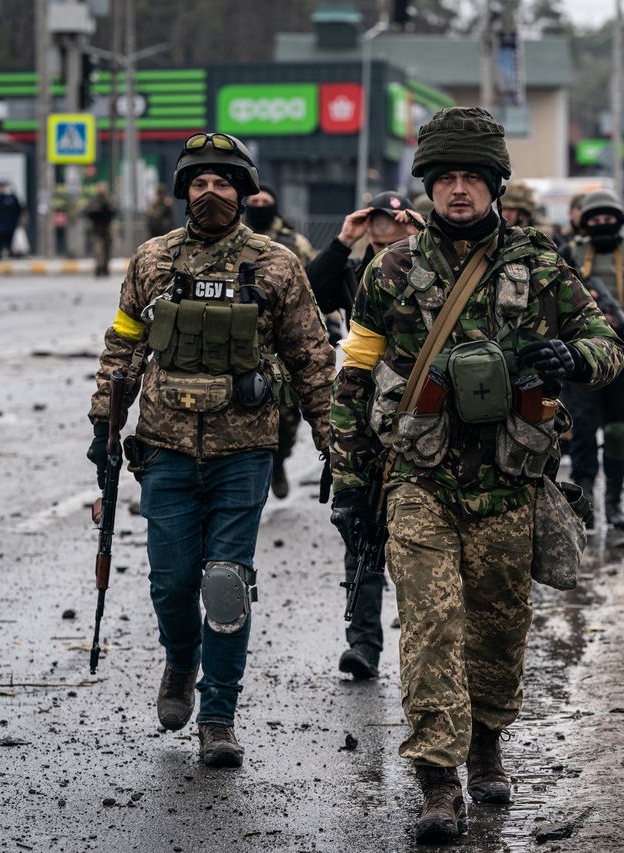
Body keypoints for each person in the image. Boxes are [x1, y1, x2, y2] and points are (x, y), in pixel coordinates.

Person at [328, 107, 624, 843]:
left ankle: (487, 742)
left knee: (498, 626)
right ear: (428, 185)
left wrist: (573, 357)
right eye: (446, 178)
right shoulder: (391, 271)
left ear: (495, 184)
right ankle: (437, 780)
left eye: (472, 177)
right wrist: (351, 473)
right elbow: (356, 373)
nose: (458, 190)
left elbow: (607, 345)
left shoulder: (539, 264)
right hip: (419, 478)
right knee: (430, 626)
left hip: (508, 481)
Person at [86, 131, 335, 768]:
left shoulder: (277, 266)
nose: (210, 193)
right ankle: (180, 661)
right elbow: (122, 346)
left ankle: (218, 715)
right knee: (171, 585)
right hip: (164, 447)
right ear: (183, 191)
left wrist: (334, 439)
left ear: (244, 192)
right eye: (199, 182)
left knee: (226, 583)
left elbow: (311, 358)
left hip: (243, 451)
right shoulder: (152, 261)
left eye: (223, 182)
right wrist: (104, 425)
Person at [304, 190, 422, 682]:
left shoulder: (428, 266)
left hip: (419, 417)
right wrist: (342, 242)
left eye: (391, 220)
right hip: (361, 416)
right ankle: (364, 645)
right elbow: (309, 293)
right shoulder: (354, 273)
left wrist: (422, 234)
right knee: (362, 531)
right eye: (375, 220)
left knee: (422, 540)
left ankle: (426, 650)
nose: (382, 227)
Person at [561, 189, 624, 528]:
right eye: (596, 219)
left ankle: (615, 504)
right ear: (586, 222)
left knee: (618, 431)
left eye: (609, 218)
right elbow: (550, 300)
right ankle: (585, 505)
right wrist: (587, 317)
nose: (602, 224)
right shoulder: (570, 255)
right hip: (582, 359)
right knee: (582, 430)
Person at [243, 184, 318, 498]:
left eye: (266, 201)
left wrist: (327, 324)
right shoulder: (232, 240)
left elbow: (313, 287)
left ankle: (279, 459)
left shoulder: (293, 244)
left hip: (284, 343)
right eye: (255, 200)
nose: (260, 205)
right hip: (243, 344)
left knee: (287, 416)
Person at [83, 183, 118, 277]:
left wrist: (107, 208)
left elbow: (114, 210)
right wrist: (97, 209)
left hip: (107, 229)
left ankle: (105, 267)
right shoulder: (94, 201)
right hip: (97, 230)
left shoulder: (109, 200)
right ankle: (99, 267)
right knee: (98, 250)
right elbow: (87, 211)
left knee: (107, 249)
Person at [0, 181, 22, 260]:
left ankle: (11, 252)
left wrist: (16, 220)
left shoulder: (12, 197)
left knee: (10, 238)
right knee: (0, 237)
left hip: (10, 222)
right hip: (0, 222)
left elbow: (18, 209)